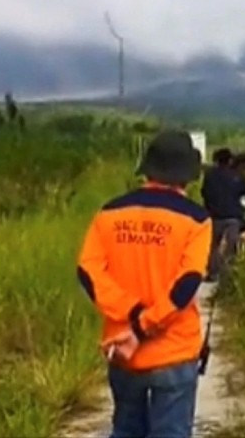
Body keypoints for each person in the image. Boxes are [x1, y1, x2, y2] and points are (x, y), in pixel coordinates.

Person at [76, 129, 211, 438]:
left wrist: (131, 315)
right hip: (174, 351)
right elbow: (187, 284)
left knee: (125, 429)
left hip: (123, 350)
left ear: (147, 168)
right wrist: (145, 323)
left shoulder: (109, 214)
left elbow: (88, 272)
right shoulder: (196, 220)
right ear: (187, 176)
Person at [199, 148, 242, 281]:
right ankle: (228, 275)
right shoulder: (235, 175)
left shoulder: (210, 175)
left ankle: (213, 273)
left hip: (214, 215)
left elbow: (204, 192)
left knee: (213, 245)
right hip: (233, 216)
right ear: (229, 160)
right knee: (231, 245)